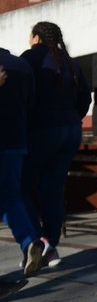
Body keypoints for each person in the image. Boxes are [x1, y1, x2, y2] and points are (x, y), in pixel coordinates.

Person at [21, 21, 91, 266]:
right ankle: (51, 244)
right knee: (53, 188)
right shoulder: (70, 61)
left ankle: (37, 240)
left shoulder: (31, 58)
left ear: (36, 37)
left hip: (41, 130)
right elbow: (85, 96)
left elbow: (23, 92)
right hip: (71, 129)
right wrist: (73, 117)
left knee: (21, 189)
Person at [1, 46, 44, 287]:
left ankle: (29, 240)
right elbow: (31, 103)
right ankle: (29, 240)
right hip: (16, 141)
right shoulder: (21, 65)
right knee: (10, 197)